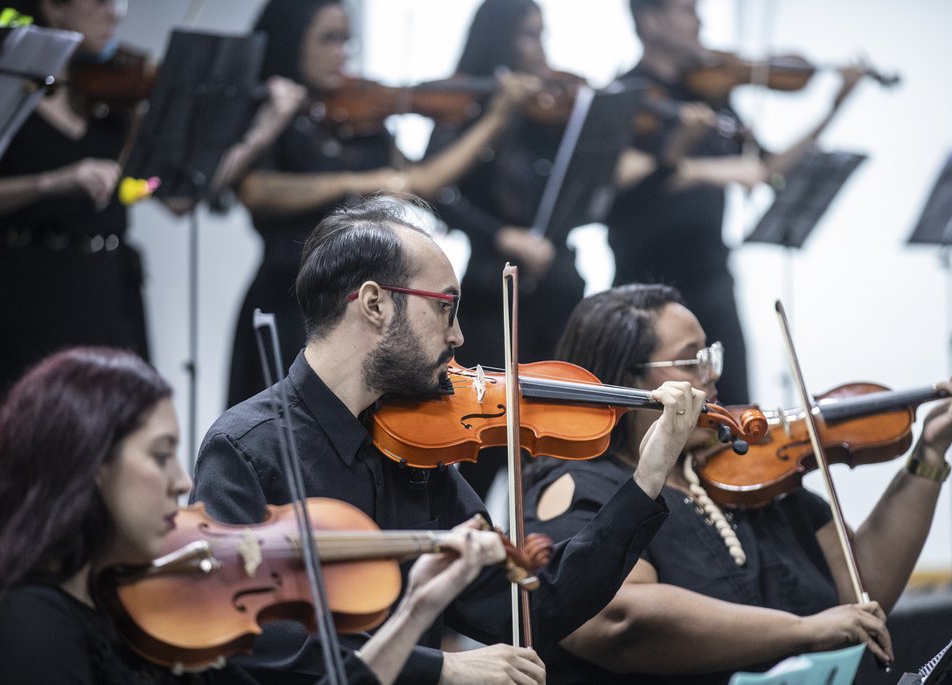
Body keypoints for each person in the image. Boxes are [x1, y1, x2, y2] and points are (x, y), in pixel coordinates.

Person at [191, 194, 707, 685]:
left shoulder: (418, 450)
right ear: (374, 304)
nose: (459, 336)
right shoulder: (245, 449)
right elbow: (258, 640)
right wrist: (441, 670)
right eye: (444, 307)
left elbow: (529, 608)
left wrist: (648, 475)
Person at [523, 283, 952, 684]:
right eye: (691, 362)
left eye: (711, 356)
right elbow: (620, 618)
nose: (711, 376)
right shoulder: (578, 487)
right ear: (625, 380)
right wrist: (803, 630)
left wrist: (929, 451)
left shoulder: (752, 470)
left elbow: (862, 589)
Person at [0, 346, 514, 685]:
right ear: (89, 465)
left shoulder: (158, 613)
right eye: (160, 455)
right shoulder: (33, 627)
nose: (183, 482)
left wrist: (417, 611)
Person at [0, 0, 304, 430]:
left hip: (109, 285)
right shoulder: (4, 91)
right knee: (22, 431)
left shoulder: (121, 102)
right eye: (98, 2)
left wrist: (263, 131)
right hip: (31, 285)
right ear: (53, 9)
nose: (114, 13)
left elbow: (179, 197)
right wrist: (53, 182)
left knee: (116, 431)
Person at [225, 0, 539, 408]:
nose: (341, 54)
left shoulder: (361, 115)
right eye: (328, 39)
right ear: (292, 40)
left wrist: (494, 119)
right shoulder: (268, 111)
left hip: (358, 305)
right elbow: (256, 191)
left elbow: (423, 181)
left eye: (346, 41)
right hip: (287, 297)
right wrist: (355, 181)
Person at [607, 0, 869, 405]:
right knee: (655, 413)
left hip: (710, 275)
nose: (700, 21)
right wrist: (703, 160)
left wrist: (833, 109)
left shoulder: (710, 91)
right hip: (644, 290)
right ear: (652, 21)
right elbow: (626, 178)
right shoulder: (628, 96)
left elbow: (764, 168)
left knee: (735, 410)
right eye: (687, 10)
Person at [423, 0, 590, 501]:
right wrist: (498, 234)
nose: (539, 50)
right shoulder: (468, 106)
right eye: (527, 36)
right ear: (499, 40)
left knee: (559, 441)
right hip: (492, 292)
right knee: (489, 436)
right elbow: (434, 187)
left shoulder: (550, 109)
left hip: (558, 290)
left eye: (541, 35)